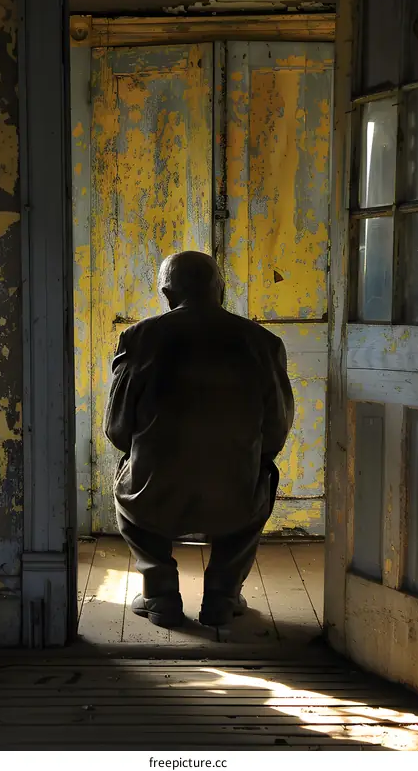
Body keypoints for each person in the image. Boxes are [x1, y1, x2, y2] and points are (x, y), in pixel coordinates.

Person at [104, 250, 294, 628]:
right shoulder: (262, 342)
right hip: (234, 492)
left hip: (155, 492)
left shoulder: (139, 338)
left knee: (128, 476)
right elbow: (276, 428)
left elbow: (116, 428)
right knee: (263, 476)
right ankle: (222, 596)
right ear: (219, 289)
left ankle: (160, 595)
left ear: (166, 292)